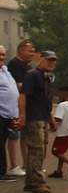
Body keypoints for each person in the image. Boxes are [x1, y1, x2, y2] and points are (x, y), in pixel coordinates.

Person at [16, 49, 58, 193]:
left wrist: (51, 119)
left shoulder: (46, 77)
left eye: (53, 60)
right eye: (49, 60)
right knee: (36, 150)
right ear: (40, 59)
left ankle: (30, 181)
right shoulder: (32, 75)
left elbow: (46, 101)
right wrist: (22, 116)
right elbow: (22, 96)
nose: (52, 63)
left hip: (43, 118)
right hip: (33, 118)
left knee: (41, 151)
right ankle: (37, 183)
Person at [3, 40, 32, 179]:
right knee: (13, 137)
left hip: (15, 109)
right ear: (20, 50)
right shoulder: (14, 65)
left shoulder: (8, 69)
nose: (32, 54)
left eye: (3, 55)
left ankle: (23, 166)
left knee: (19, 136)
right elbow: (19, 86)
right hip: (8, 110)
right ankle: (13, 166)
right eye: (29, 51)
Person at [49, 86, 68, 178]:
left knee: (55, 152)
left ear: (65, 94)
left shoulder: (62, 105)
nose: (58, 96)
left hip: (63, 133)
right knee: (61, 152)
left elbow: (58, 118)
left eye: (59, 93)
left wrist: (51, 125)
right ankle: (59, 171)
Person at [0, 46, 20, 181]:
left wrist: (15, 114)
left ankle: (2, 171)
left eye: (3, 55)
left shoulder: (5, 70)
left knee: (2, 143)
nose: (2, 57)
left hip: (8, 115)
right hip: (0, 114)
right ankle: (1, 173)